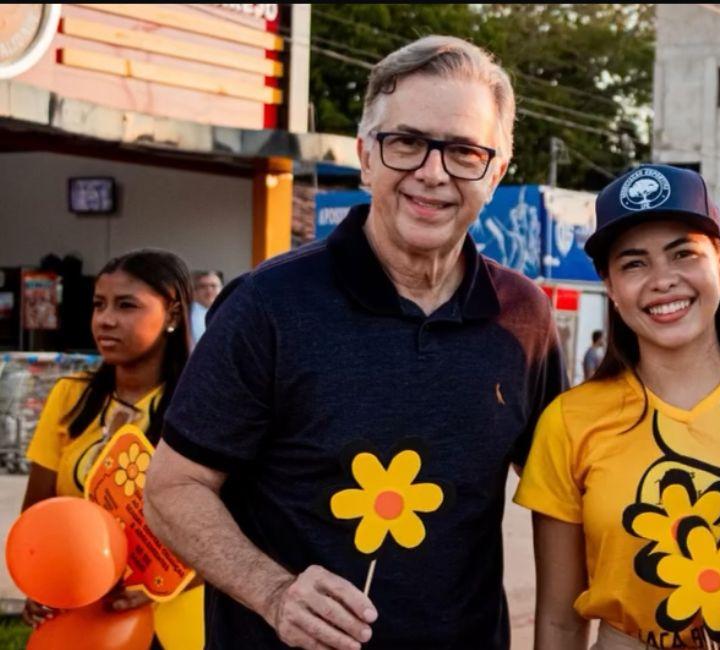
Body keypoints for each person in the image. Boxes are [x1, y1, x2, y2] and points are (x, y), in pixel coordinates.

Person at [143, 35, 565, 649]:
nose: (432, 172)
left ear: (495, 172)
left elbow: (568, 490)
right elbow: (172, 489)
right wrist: (273, 591)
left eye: (464, 151)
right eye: (407, 143)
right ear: (366, 156)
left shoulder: (523, 317)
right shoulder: (268, 304)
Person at [515, 164, 720, 649]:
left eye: (683, 254)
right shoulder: (569, 422)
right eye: (634, 263)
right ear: (610, 285)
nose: (662, 280)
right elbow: (560, 623)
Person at [21, 249, 203, 648]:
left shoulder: (204, 406)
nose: (106, 319)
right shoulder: (69, 397)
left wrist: (170, 581)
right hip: (82, 624)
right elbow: (38, 511)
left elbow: (242, 523)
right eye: (99, 305)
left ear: (172, 314)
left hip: (177, 626)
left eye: (127, 305)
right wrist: (43, 581)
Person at [188, 270, 223, 345]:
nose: (209, 290)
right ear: (194, 292)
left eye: (213, 286)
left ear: (222, 289)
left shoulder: (227, 313)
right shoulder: (188, 316)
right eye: (203, 286)